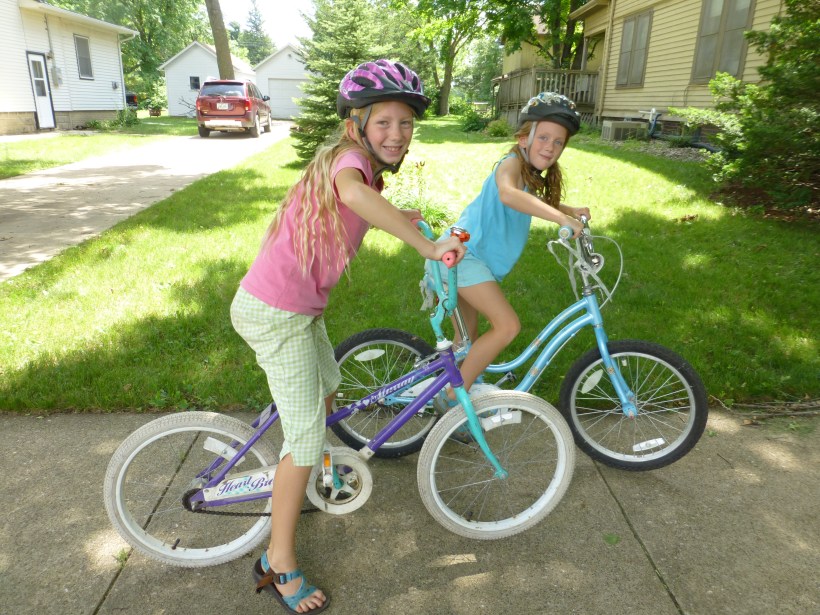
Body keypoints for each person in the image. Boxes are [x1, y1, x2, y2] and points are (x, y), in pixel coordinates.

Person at [230, 59, 465, 615]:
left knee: (329, 388)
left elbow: (357, 204)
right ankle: (278, 561)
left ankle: (311, 466)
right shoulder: (348, 161)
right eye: (383, 122)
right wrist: (427, 247)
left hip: (297, 309)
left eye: (406, 124)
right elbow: (354, 196)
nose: (396, 134)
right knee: (306, 437)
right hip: (276, 314)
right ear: (357, 123)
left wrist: (402, 212)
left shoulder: (359, 168)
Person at [428, 92, 590, 409]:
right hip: (463, 255)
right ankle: (453, 400)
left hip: (464, 257)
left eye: (559, 142)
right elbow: (508, 194)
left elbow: (532, 198)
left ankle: (450, 393)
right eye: (543, 137)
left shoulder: (528, 172)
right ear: (523, 137)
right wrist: (561, 218)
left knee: (467, 343)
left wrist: (568, 209)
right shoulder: (511, 163)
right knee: (507, 326)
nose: (550, 146)